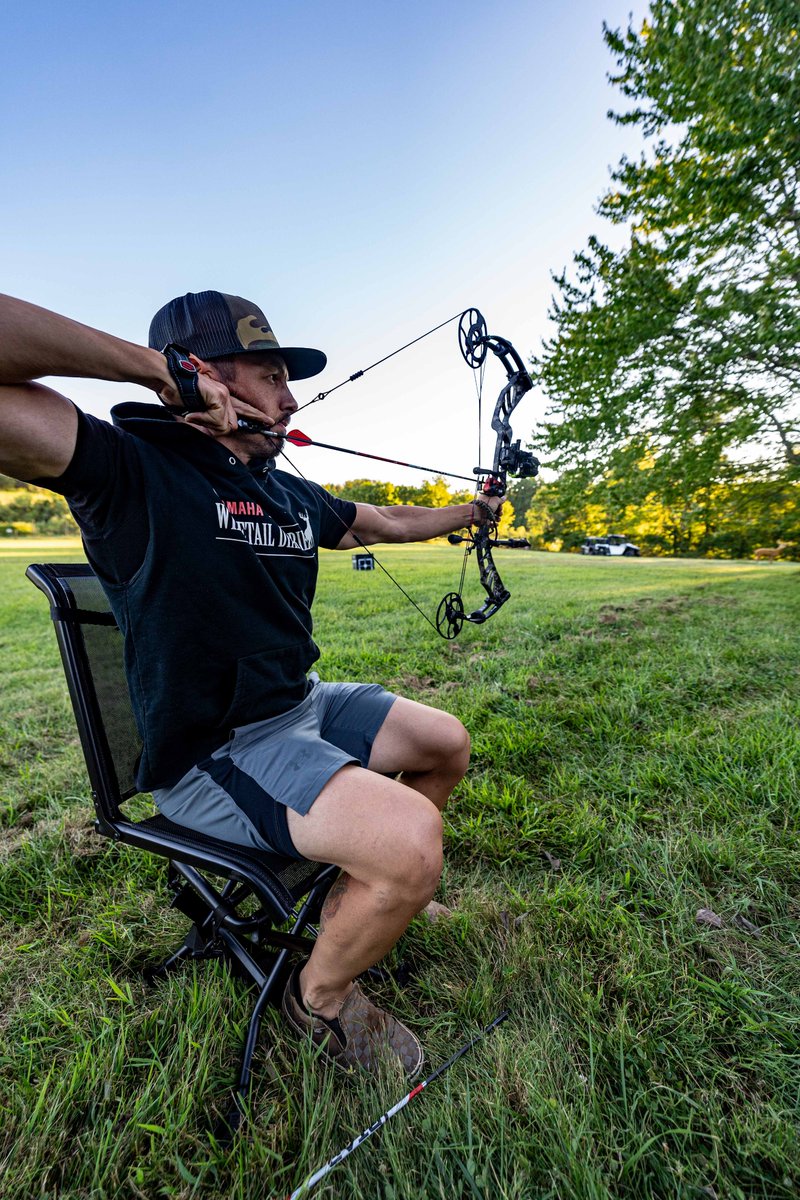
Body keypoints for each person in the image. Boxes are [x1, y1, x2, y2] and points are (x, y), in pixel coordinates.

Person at [0, 290, 502, 1080]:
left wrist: (470, 511)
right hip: (213, 755)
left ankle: (363, 883)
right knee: (411, 842)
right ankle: (323, 997)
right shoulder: (126, 469)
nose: (290, 397)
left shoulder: (287, 490)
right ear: (207, 377)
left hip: (297, 707)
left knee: (445, 742)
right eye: (270, 376)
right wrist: (151, 371)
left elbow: (386, 523)